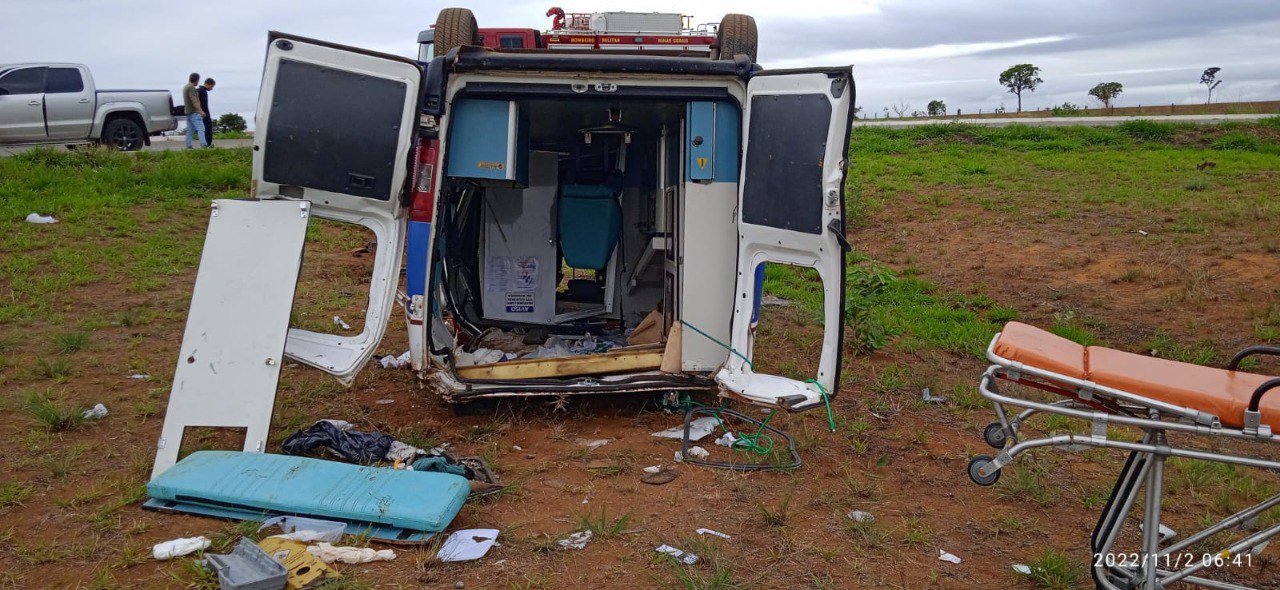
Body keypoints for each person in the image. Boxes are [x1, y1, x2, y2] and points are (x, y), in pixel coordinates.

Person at [182, 73, 207, 149]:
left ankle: (189, 146)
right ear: (197, 80)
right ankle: (204, 145)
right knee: (201, 128)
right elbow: (194, 101)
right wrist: (200, 111)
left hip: (188, 112)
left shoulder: (185, 87)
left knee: (190, 130)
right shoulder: (191, 88)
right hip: (194, 113)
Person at [198, 78, 216, 147]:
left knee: (204, 128)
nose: (211, 88)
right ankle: (208, 143)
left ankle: (206, 143)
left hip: (200, 112)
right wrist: (206, 114)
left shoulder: (199, 90)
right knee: (207, 128)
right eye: (211, 86)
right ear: (207, 84)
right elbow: (204, 104)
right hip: (204, 113)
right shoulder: (202, 91)